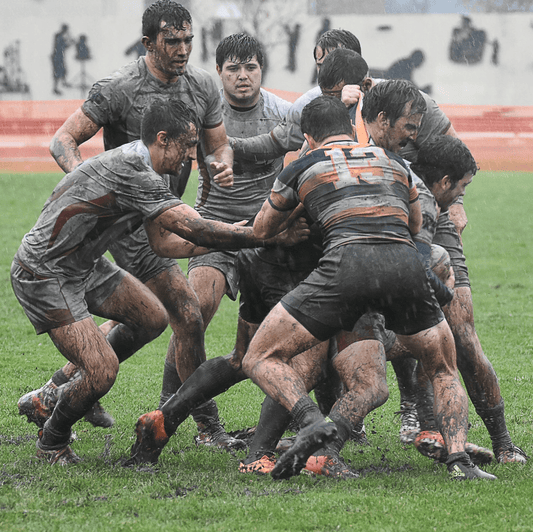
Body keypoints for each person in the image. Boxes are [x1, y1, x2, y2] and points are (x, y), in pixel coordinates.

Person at [11, 99, 306, 465]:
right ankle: (52, 439)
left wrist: (238, 235)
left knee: (153, 317)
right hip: (45, 271)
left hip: (83, 266)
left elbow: (163, 242)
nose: (190, 156)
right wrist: (263, 234)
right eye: (186, 145)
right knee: (102, 370)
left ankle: (55, 397)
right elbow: (194, 227)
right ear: (163, 139)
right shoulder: (132, 167)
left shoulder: (153, 170)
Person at [124, 51, 369, 469]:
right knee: (298, 360)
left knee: (244, 358)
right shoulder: (353, 148)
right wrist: (276, 227)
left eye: (250, 66)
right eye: (233, 68)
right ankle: (265, 453)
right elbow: (265, 216)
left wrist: (231, 154)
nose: (242, 76)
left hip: (261, 256)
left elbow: (270, 149)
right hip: (288, 262)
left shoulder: (297, 120)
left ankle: (165, 417)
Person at [242, 89, 495, 482]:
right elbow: (414, 226)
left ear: (309, 138)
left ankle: (311, 421)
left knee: (258, 356)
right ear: (351, 127)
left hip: (345, 267)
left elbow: (262, 231)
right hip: (404, 265)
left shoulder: (302, 165)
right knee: (443, 367)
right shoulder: (395, 162)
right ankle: (460, 461)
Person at [34, 0, 241, 450]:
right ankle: (207, 425)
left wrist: (222, 164)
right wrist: (88, 189)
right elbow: (63, 139)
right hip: (129, 223)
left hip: (160, 213)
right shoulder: (121, 87)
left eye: (189, 39)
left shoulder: (203, 85)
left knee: (150, 316)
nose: (183, 49)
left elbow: (219, 146)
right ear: (148, 43)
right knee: (186, 312)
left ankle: (58, 392)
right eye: (172, 41)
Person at [51, 24, 73, 95]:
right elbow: (63, 46)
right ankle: (55, 88)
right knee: (57, 73)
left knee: (63, 70)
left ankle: (64, 83)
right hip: (57, 57)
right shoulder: (58, 36)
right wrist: (71, 43)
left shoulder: (59, 36)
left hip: (59, 56)